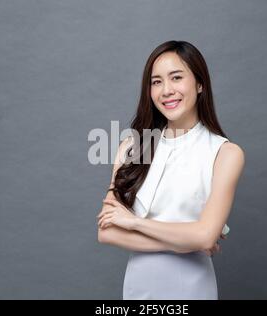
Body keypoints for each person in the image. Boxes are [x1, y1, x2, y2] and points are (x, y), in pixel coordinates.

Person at [97, 40, 245, 300]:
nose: (166, 90)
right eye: (156, 82)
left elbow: (205, 236)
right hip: (138, 287)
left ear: (200, 84)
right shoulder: (131, 148)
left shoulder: (225, 153)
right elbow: (106, 231)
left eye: (176, 77)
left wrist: (134, 223)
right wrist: (188, 241)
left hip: (192, 288)